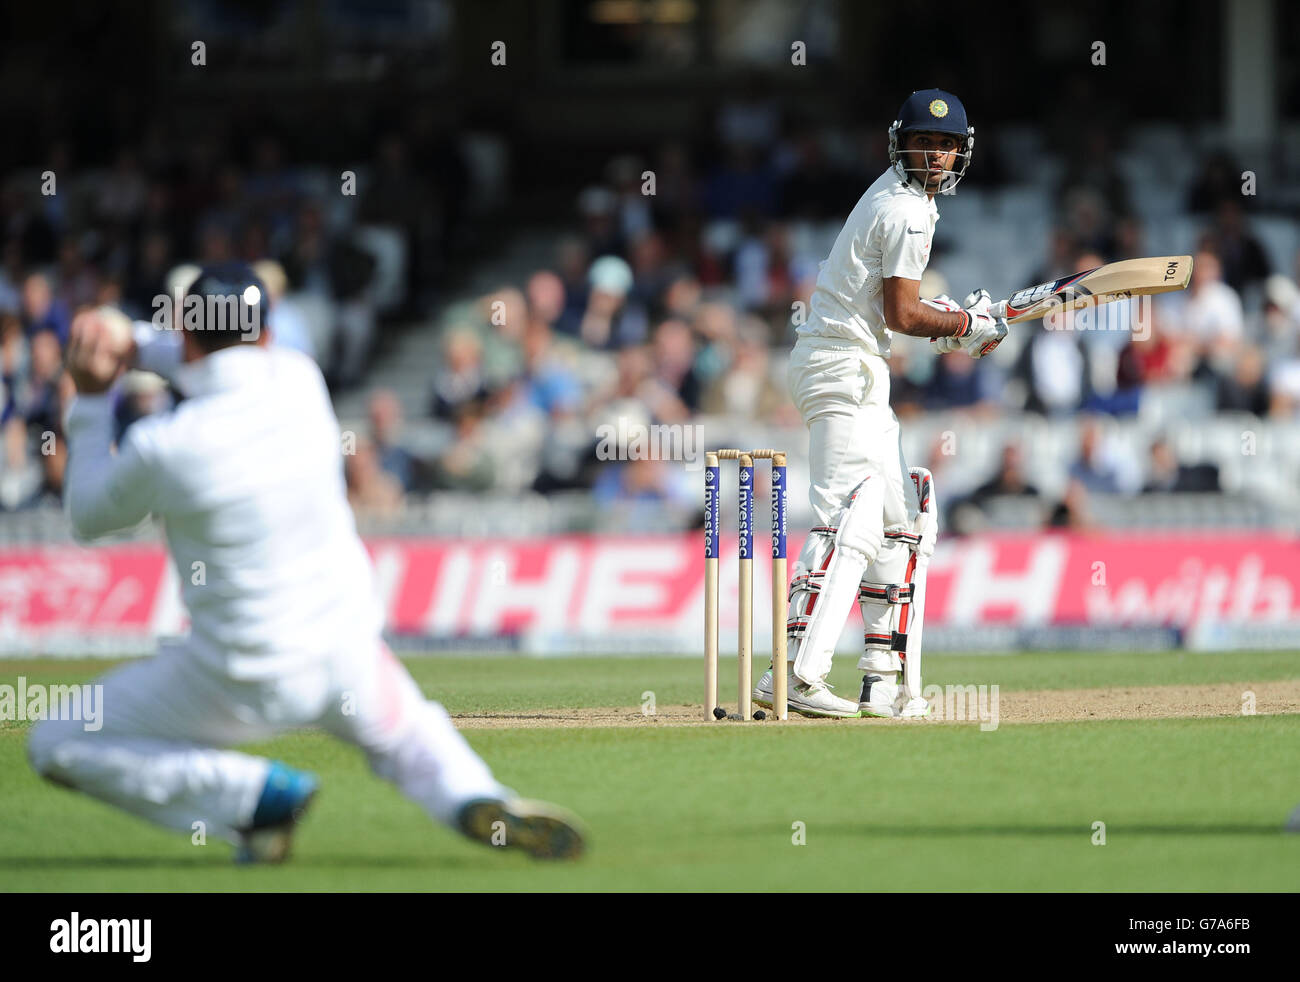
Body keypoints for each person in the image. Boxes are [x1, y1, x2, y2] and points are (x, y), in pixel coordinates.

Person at [27, 263, 585, 863]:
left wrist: (90, 395)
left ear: (187, 336)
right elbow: (216, 359)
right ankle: (470, 792)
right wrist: (136, 343)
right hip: (346, 652)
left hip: (240, 677)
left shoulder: (165, 445)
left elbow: (86, 517)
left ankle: (249, 795)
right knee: (405, 729)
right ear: (267, 333)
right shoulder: (300, 379)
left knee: (58, 740)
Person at [752, 89, 1006, 720]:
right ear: (902, 143)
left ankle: (880, 677)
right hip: (839, 366)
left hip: (858, 369)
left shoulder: (905, 199)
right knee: (848, 517)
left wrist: (959, 319)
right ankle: (794, 674)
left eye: (948, 145)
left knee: (900, 519)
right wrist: (965, 326)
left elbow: (901, 314)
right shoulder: (906, 210)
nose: (938, 155)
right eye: (927, 142)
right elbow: (902, 314)